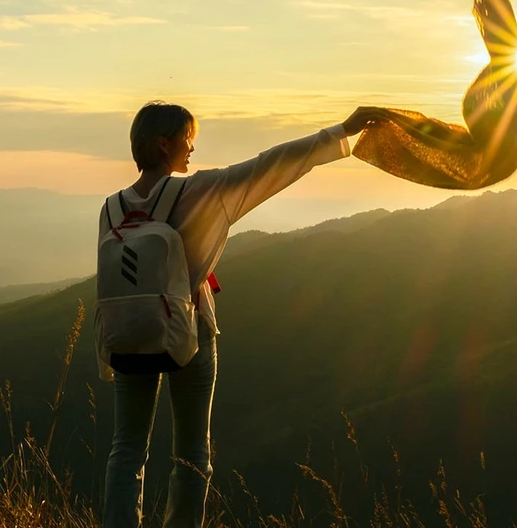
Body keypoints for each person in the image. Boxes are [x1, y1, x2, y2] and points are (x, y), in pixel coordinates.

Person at [99, 101, 386, 528]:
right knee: (192, 455)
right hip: (189, 332)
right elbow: (270, 165)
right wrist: (341, 131)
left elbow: (115, 284)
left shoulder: (111, 207)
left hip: (128, 335)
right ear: (164, 144)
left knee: (126, 451)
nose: (192, 147)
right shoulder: (198, 192)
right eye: (186, 137)